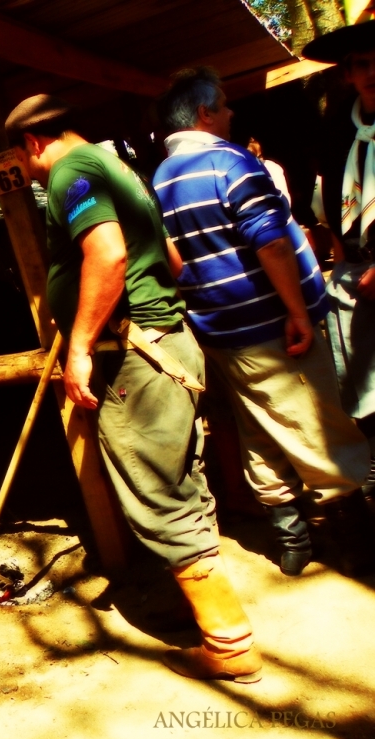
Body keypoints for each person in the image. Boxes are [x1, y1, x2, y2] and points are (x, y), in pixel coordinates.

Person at [6, 94, 261, 683]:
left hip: (135, 356)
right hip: (168, 343)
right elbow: (170, 260)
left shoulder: (71, 171)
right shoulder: (120, 168)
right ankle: (194, 605)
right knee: (180, 477)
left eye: (26, 159)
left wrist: (78, 345)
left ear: (34, 144)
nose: (33, 169)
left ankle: (229, 643)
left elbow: (109, 253)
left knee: (154, 491)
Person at [153, 67, 372, 577]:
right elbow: (270, 241)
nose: (232, 113)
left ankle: (291, 541)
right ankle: (356, 544)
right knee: (317, 426)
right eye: (225, 105)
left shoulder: (160, 179)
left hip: (221, 329)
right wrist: (297, 311)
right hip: (271, 322)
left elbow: (175, 261)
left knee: (259, 427)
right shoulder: (231, 162)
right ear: (205, 114)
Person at [304, 19, 375, 496]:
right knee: (363, 390)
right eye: (362, 65)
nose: (373, 73)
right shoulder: (337, 130)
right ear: (348, 73)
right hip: (355, 274)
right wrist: (343, 268)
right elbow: (329, 212)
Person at [245, 137, 291, 204]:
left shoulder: (272, 167)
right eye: (255, 158)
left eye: (260, 156)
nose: (260, 160)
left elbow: (286, 201)